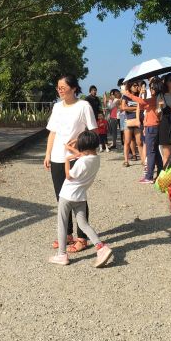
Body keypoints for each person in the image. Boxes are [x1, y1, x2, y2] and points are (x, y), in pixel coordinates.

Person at [44, 74, 98, 254]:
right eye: (58, 87)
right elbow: (52, 132)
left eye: (63, 87)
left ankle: (82, 237)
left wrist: (80, 141)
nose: (59, 90)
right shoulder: (57, 106)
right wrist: (47, 154)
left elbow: (93, 131)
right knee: (61, 197)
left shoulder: (83, 106)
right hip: (57, 157)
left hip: (76, 157)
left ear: (74, 88)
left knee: (78, 196)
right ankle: (67, 234)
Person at [48, 131, 114, 267]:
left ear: (83, 147)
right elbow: (83, 155)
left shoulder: (81, 162)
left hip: (67, 195)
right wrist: (72, 149)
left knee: (62, 224)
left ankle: (62, 255)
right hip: (81, 197)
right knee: (84, 224)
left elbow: (68, 175)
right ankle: (101, 247)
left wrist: (67, 159)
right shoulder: (96, 159)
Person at [124, 78, 164, 184]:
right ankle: (160, 173)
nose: (151, 89)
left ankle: (149, 176)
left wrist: (128, 94)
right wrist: (143, 94)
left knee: (151, 152)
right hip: (153, 127)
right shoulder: (158, 98)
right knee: (155, 151)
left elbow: (141, 102)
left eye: (152, 87)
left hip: (151, 127)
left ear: (156, 88)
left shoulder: (155, 99)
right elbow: (142, 105)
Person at [158, 73, 171, 165]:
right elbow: (157, 113)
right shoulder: (161, 95)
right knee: (166, 154)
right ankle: (166, 173)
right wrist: (160, 107)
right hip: (165, 124)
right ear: (166, 82)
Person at [121, 81, 143, 167]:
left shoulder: (139, 95)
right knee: (127, 141)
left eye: (137, 85)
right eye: (134, 85)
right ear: (130, 87)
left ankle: (143, 160)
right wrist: (136, 107)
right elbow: (123, 107)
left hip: (138, 120)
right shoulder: (125, 96)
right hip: (128, 121)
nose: (136, 87)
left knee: (139, 142)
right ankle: (126, 161)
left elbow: (143, 106)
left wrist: (130, 108)